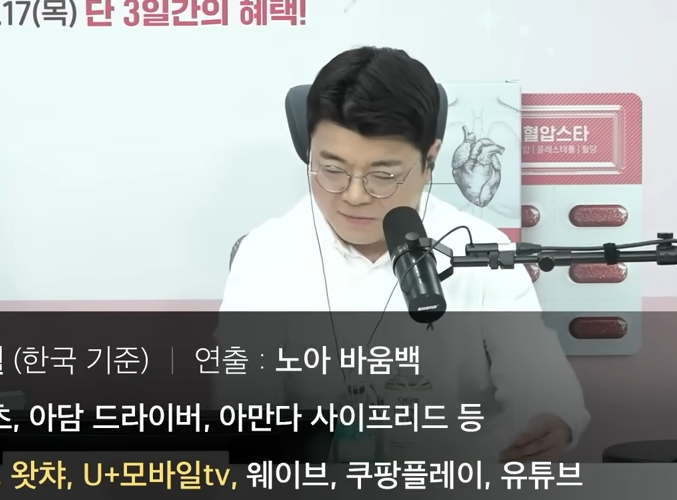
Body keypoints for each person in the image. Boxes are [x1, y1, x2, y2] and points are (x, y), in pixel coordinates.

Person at [216, 46, 589, 463]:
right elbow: (243, 403)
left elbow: (538, 377)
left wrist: (551, 418)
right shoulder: (266, 253)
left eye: (383, 175)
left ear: (430, 158)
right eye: (332, 170)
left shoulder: (482, 252)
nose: (354, 195)